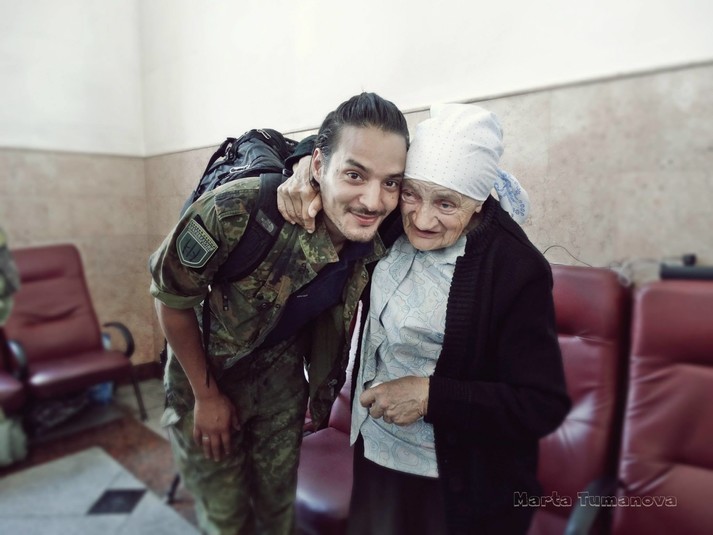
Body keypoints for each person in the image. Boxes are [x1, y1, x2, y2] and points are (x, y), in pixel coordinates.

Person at [279, 103, 570, 534]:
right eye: (411, 193)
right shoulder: (389, 221)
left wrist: (431, 396)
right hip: (374, 451)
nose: (421, 218)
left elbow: (542, 405)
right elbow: (339, 146)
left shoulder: (515, 270)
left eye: (446, 204)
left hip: (456, 487)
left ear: (478, 202)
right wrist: (304, 165)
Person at [149, 92, 409, 535]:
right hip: (205, 372)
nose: (373, 201)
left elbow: (463, 197)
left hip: (280, 379)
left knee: (277, 514)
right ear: (319, 166)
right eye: (354, 175)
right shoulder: (240, 208)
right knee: (227, 519)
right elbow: (172, 300)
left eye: (391, 183)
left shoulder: (383, 230)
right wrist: (206, 398)